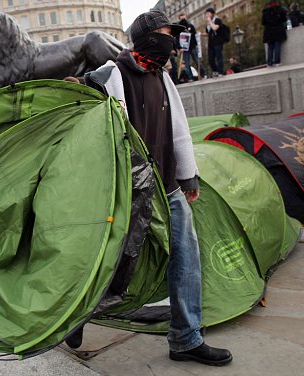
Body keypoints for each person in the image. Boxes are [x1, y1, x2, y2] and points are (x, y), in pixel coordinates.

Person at [84, 10, 233, 366]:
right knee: (109, 263)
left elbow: (179, 129)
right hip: (127, 195)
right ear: (149, 36)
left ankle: (185, 338)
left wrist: (188, 177)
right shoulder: (114, 76)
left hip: (168, 189)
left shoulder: (163, 78)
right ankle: (78, 316)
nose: (173, 40)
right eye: (169, 33)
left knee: (185, 259)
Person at [178, 13, 205, 81]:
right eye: (181, 18)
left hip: (192, 46)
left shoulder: (190, 26)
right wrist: (179, 48)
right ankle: (190, 77)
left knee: (197, 61)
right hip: (184, 49)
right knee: (187, 64)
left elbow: (194, 34)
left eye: (184, 18)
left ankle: (203, 74)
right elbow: (176, 39)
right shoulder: (178, 28)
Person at [263, 1, 288, 67]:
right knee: (277, 45)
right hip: (278, 30)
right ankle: (277, 62)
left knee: (270, 47)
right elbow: (284, 19)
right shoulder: (280, 10)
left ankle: (269, 62)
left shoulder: (265, 12)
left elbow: (263, 22)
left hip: (268, 31)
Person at [205, 7, 228, 77]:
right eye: (206, 14)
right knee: (210, 58)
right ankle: (215, 70)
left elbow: (215, 28)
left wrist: (209, 22)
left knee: (219, 57)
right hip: (211, 43)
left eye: (208, 13)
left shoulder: (217, 20)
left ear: (212, 14)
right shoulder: (208, 23)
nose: (207, 15)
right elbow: (208, 32)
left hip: (218, 41)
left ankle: (220, 71)